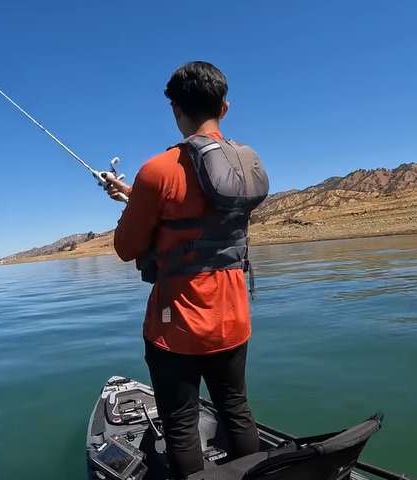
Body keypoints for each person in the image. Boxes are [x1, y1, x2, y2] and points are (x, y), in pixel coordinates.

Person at [103, 61, 263, 478]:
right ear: (224, 108)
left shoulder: (156, 171)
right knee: (237, 409)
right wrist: (135, 196)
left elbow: (126, 248)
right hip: (234, 317)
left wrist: (133, 206)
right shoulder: (246, 164)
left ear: (175, 110)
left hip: (177, 326)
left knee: (180, 423)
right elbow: (202, 214)